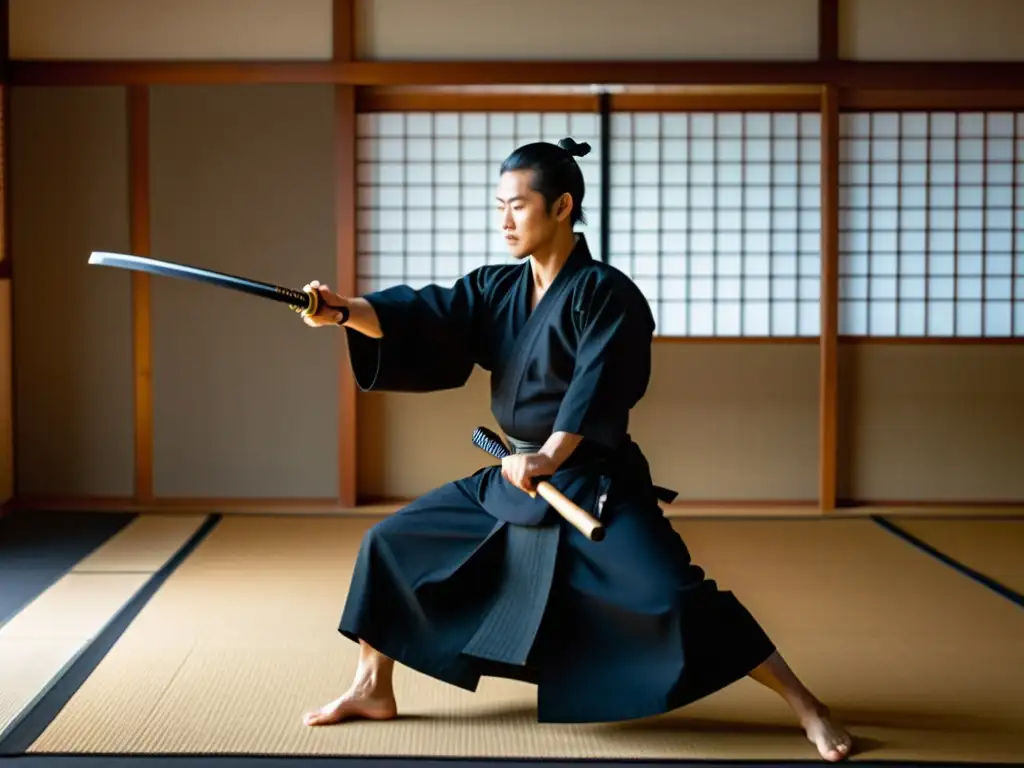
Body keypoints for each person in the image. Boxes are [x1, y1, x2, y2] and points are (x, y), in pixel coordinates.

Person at [297, 137, 853, 763]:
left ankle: (807, 704)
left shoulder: (605, 293)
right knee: (391, 543)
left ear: (562, 207)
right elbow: (428, 317)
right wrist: (344, 312)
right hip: (516, 472)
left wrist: (550, 456)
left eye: (518, 206)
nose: (504, 220)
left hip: (591, 477)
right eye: (498, 205)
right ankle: (372, 686)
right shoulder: (496, 289)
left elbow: (600, 383)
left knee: (673, 594)